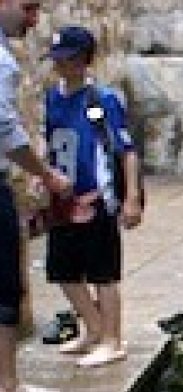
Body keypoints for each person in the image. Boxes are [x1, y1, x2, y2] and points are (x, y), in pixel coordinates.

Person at [42, 24, 141, 368]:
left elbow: (126, 150)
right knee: (63, 270)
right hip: (64, 199)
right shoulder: (52, 97)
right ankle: (93, 328)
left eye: (67, 59)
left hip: (97, 198)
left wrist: (130, 199)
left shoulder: (102, 101)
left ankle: (112, 339)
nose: (60, 66)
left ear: (84, 61)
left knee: (102, 272)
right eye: (57, 59)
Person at [0, 0, 71, 392]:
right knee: (6, 282)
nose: (34, 19)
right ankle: (8, 384)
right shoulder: (3, 63)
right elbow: (5, 129)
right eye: (27, 7)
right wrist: (45, 174)